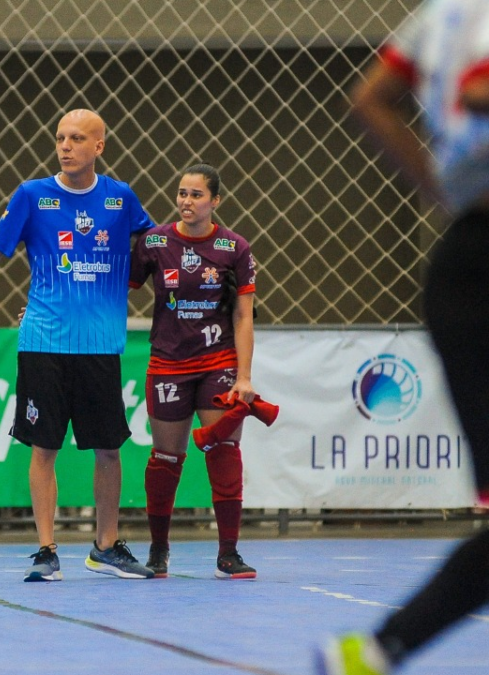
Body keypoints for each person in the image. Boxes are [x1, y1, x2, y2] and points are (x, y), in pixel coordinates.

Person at [319, 2, 489, 673]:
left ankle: (376, 653)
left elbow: (370, 98)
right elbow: (480, 89)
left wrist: (436, 187)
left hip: (463, 263)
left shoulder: (444, 14)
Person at [0, 109, 156, 582]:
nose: (65, 145)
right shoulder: (32, 195)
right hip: (44, 342)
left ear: (99, 146)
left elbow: (157, 257)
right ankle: (45, 549)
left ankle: (106, 546)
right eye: (60, 137)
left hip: (100, 345)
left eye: (77, 138)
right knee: (43, 448)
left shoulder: (121, 200)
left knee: (108, 450)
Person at [128, 164, 264, 580]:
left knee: (224, 450)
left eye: (196, 195)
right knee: (167, 456)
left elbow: (244, 315)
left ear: (215, 201)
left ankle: (228, 554)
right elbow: (117, 289)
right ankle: (158, 550)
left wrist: (244, 376)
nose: (187, 202)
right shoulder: (153, 242)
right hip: (167, 362)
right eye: (182, 194)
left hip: (218, 361)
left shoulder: (234, 247)